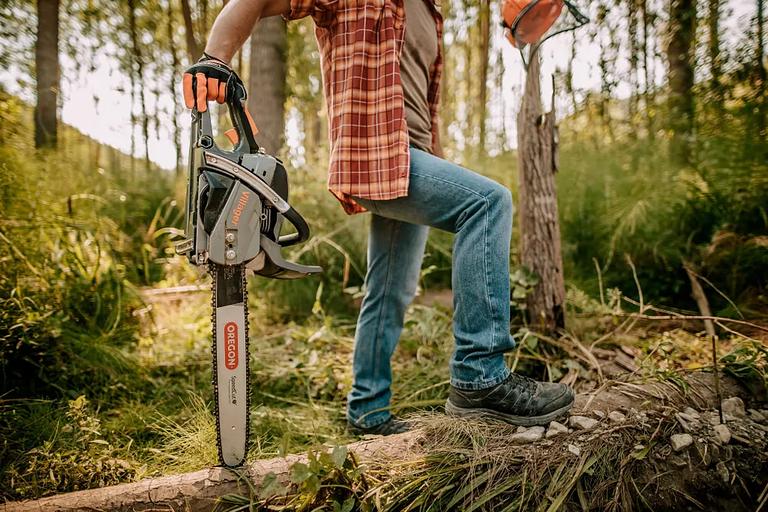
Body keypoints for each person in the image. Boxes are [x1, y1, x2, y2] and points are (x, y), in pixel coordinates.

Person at [182, 0, 574, 436]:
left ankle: (367, 412)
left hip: (414, 161)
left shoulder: (432, 14)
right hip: (372, 154)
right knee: (489, 203)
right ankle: (479, 376)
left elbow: (426, 110)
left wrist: (442, 169)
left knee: (389, 291)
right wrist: (214, 58)